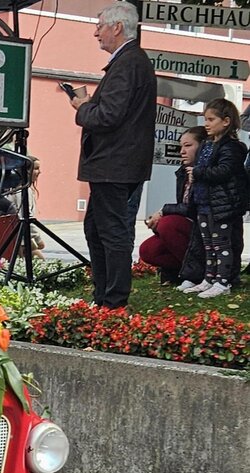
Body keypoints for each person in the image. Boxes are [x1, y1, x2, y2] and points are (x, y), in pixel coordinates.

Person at [69, 1, 156, 308]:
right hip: (117, 163)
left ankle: (113, 301)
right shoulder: (132, 62)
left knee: (111, 232)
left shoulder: (128, 63)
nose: (96, 33)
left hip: (114, 164)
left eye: (100, 26)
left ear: (117, 27)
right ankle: (105, 296)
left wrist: (83, 107)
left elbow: (108, 116)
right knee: (96, 228)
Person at [179, 99, 248, 298]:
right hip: (204, 202)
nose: (206, 123)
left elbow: (224, 171)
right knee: (208, 243)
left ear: (226, 121)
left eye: (211, 119)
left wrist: (199, 171)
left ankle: (223, 281)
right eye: (205, 119)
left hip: (222, 205)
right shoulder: (208, 144)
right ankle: (209, 278)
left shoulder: (233, 147)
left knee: (221, 244)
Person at [140, 127, 205, 285]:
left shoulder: (206, 172)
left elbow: (193, 207)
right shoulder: (182, 172)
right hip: (190, 226)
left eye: (188, 146)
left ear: (203, 146)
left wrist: (163, 212)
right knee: (148, 250)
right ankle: (179, 272)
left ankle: (200, 272)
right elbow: (183, 205)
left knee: (168, 224)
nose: (182, 151)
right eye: (181, 146)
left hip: (205, 229)